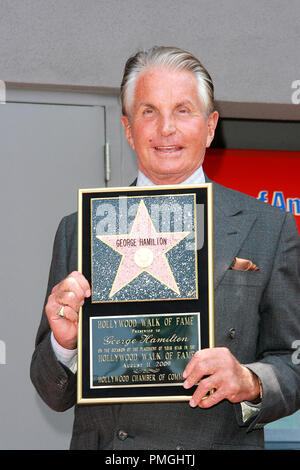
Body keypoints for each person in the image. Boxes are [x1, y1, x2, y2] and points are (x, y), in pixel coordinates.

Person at [30, 46, 300, 450]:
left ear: (210, 127)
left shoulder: (269, 227)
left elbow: (293, 362)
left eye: (183, 110)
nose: (166, 128)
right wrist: (64, 345)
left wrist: (251, 380)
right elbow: (52, 392)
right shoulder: (80, 228)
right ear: (127, 128)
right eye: (149, 111)